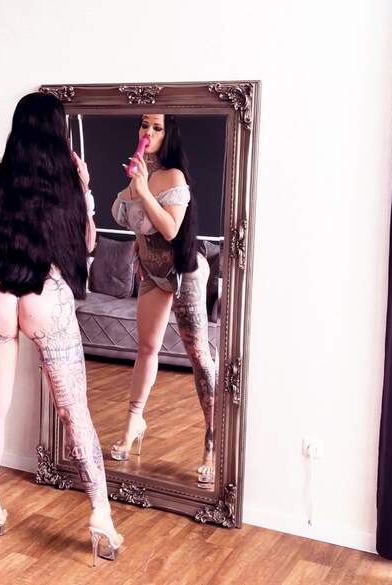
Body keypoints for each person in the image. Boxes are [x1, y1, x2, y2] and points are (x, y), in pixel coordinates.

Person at [0, 91, 122, 565]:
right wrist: (87, 190)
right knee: (75, 412)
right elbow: (88, 244)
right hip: (46, 295)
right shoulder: (68, 178)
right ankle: (101, 517)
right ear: (59, 131)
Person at [109, 114, 217, 488]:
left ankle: (212, 440)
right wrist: (139, 252)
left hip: (184, 272)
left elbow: (170, 230)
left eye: (157, 128)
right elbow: (136, 224)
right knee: (146, 348)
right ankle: (134, 422)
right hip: (152, 274)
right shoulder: (139, 172)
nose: (148, 133)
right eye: (144, 125)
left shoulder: (173, 177)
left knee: (198, 355)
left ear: (168, 134)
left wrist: (142, 190)